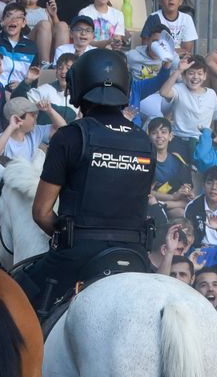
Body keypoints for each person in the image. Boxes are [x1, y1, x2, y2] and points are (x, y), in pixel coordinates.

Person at [15, 48, 153, 320]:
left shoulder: (70, 136)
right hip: (134, 256)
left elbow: (41, 212)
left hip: (79, 254)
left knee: (9, 302)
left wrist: (66, 238)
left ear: (78, 87)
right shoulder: (144, 141)